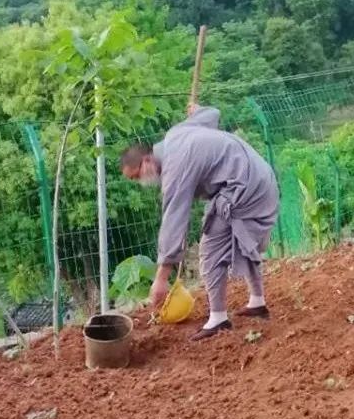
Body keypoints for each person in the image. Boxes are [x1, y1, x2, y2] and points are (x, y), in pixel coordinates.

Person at [120, 104, 280, 340]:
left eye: (137, 176)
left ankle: (218, 319)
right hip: (260, 177)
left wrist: (161, 279)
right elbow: (212, 113)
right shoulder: (177, 132)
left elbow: (174, 221)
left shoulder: (175, 168)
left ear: (146, 160)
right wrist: (198, 109)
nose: (140, 182)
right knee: (245, 242)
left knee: (210, 251)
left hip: (244, 188)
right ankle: (257, 302)